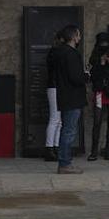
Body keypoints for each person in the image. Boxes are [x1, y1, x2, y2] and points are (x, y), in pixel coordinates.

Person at [53, 25, 87, 174]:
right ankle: (65, 163)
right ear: (74, 37)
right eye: (78, 35)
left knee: (66, 129)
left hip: (64, 95)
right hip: (72, 96)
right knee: (69, 131)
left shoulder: (59, 52)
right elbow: (75, 77)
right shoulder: (71, 54)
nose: (80, 38)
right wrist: (86, 76)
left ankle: (64, 162)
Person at [88, 33, 109, 162]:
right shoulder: (95, 56)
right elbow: (93, 76)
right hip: (100, 92)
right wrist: (101, 63)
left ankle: (108, 151)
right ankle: (94, 152)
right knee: (97, 122)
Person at [42, 31, 64, 162]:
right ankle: (49, 148)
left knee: (59, 120)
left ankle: (55, 147)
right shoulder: (56, 52)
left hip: (56, 86)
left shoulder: (54, 52)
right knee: (55, 118)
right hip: (55, 87)